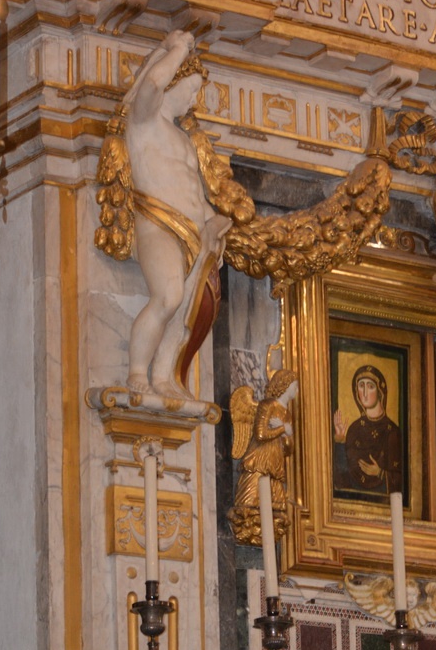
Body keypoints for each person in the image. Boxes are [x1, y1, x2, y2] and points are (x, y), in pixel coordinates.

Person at [108, 30, 244, 396]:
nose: (195, 99)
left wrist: (213, 219)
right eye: (193, 89)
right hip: (157, 225)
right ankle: (138, 372)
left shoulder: (184, 139)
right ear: (175, 82)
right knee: (168, 296)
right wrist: (177, 49)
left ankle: (164, 376)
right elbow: (152, 82)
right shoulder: (144, 121)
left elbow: (194, 193)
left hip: (194, 234)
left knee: (185, 310)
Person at [230, 370, 299, 542]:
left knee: (276, 510)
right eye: (294, 385)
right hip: (260, 459)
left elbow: (289, 449)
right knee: (247, 504)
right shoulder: (267, 405)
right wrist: (282, 429)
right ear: (285, 385)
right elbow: (260, 434)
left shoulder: (287, 414)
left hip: (275, 464)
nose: (296, 389)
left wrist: (287, 435)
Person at [333, 364, 402, 499]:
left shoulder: (392, 431)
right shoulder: (354, 429)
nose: (364, 393)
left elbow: (400, 481)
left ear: (380, 391)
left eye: (370, 386)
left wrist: (380, 473)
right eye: (361, 386)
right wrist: (340, 441)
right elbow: (342, 481)